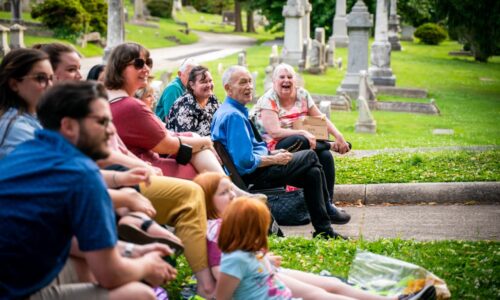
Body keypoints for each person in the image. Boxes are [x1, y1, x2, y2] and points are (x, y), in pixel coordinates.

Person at [0, 81, 176, 299]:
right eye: (102, 121)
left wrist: (130, 251)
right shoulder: (81, 174)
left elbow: (70, 243)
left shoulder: (29, 151)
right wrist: (147, 266)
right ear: (69, 126)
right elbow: (111, 274)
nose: (111, 130)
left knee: (84, 264)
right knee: (139, 294)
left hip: (15, 277)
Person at [194, 173, 436, 300]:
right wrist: (259, 264)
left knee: (332, 285)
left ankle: (393, 299)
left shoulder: (232, 220)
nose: (234, 196)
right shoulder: (215, 230)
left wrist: (262, 260)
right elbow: (222, 275)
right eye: (224, 193)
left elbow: (243, 256)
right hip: (257, 283)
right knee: (321, 295)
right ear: (208, 201)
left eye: (231, 190)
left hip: (262, 272)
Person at [211, 65, 349, 239]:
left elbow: (247, 154)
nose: (249, 87)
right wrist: (274, 159)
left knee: (312, 173)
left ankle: (324, 231)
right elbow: (244, 162)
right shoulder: (233, 116)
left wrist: (272, 155)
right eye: (243, 83)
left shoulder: (231, 110)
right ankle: (327, 209)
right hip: (252, 176)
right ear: (228, 88)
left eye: (250, 82)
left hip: (257, 166)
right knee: (310, 156)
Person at [105, 42, 224, 179]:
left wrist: (200, 141)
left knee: (198, 147)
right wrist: (205, 142)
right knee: (199, 166)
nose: (146, 69)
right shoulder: (133, 105)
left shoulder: (118, 101)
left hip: (145, 160)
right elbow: (168, 143)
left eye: (148, 63)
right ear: (120, 67)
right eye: (139, 63)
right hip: (145, 167)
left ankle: (230, 189)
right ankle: (230, 190)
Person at [252, 63, 351, 203]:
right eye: (281, 77)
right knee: (301, 139)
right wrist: (303, 132)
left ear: (295, 80)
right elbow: (274, 133)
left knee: (326, 156)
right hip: (273, 148)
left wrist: (339, 136)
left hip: (303, 144)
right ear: (274, 82)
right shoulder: (268, 100)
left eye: (290, 77)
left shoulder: (303, 94)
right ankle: (329, 145)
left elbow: (319, 117)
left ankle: (328, 203)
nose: (286, 80)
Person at [0, 48, 53, 159]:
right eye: (41, 78)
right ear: (14, 84)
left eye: (51, 78)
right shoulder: (16, 128)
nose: (50, 85)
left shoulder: (35, 117)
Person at [166, 65, 220, 136]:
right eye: (203, 82)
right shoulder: (185, 107)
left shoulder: (212, 99)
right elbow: (188, 142)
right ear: (192, 85)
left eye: (210, 81)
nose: (209, 85)